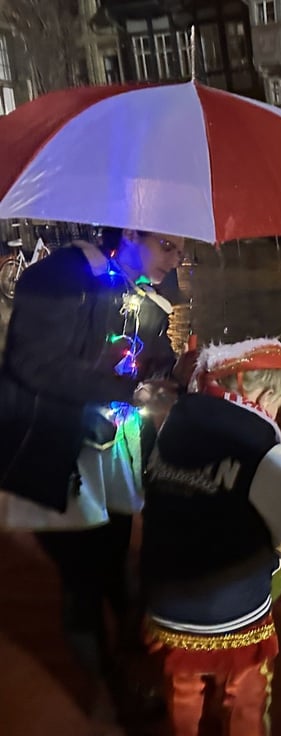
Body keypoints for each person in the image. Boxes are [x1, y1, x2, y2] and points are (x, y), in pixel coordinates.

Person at [0, 229, 183, 724]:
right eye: (168, 244)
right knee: (80, 576)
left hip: (114, 447)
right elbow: (31, 364)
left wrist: (169, 367)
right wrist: (129, 386)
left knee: (116, 545)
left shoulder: (147, 284)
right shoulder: (60, 277)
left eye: (182, 247)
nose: (177, 257)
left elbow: (154, 351)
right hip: (60, 448)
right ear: (130, 232)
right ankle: (107, 682)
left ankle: (128, 637)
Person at [141, 339, 281, 736]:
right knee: (244, 695)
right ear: (260, 392)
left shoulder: (179, 416)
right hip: (231, 608)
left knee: (182, 691)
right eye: (278, 401)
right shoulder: (259, 440)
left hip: (166, 596)